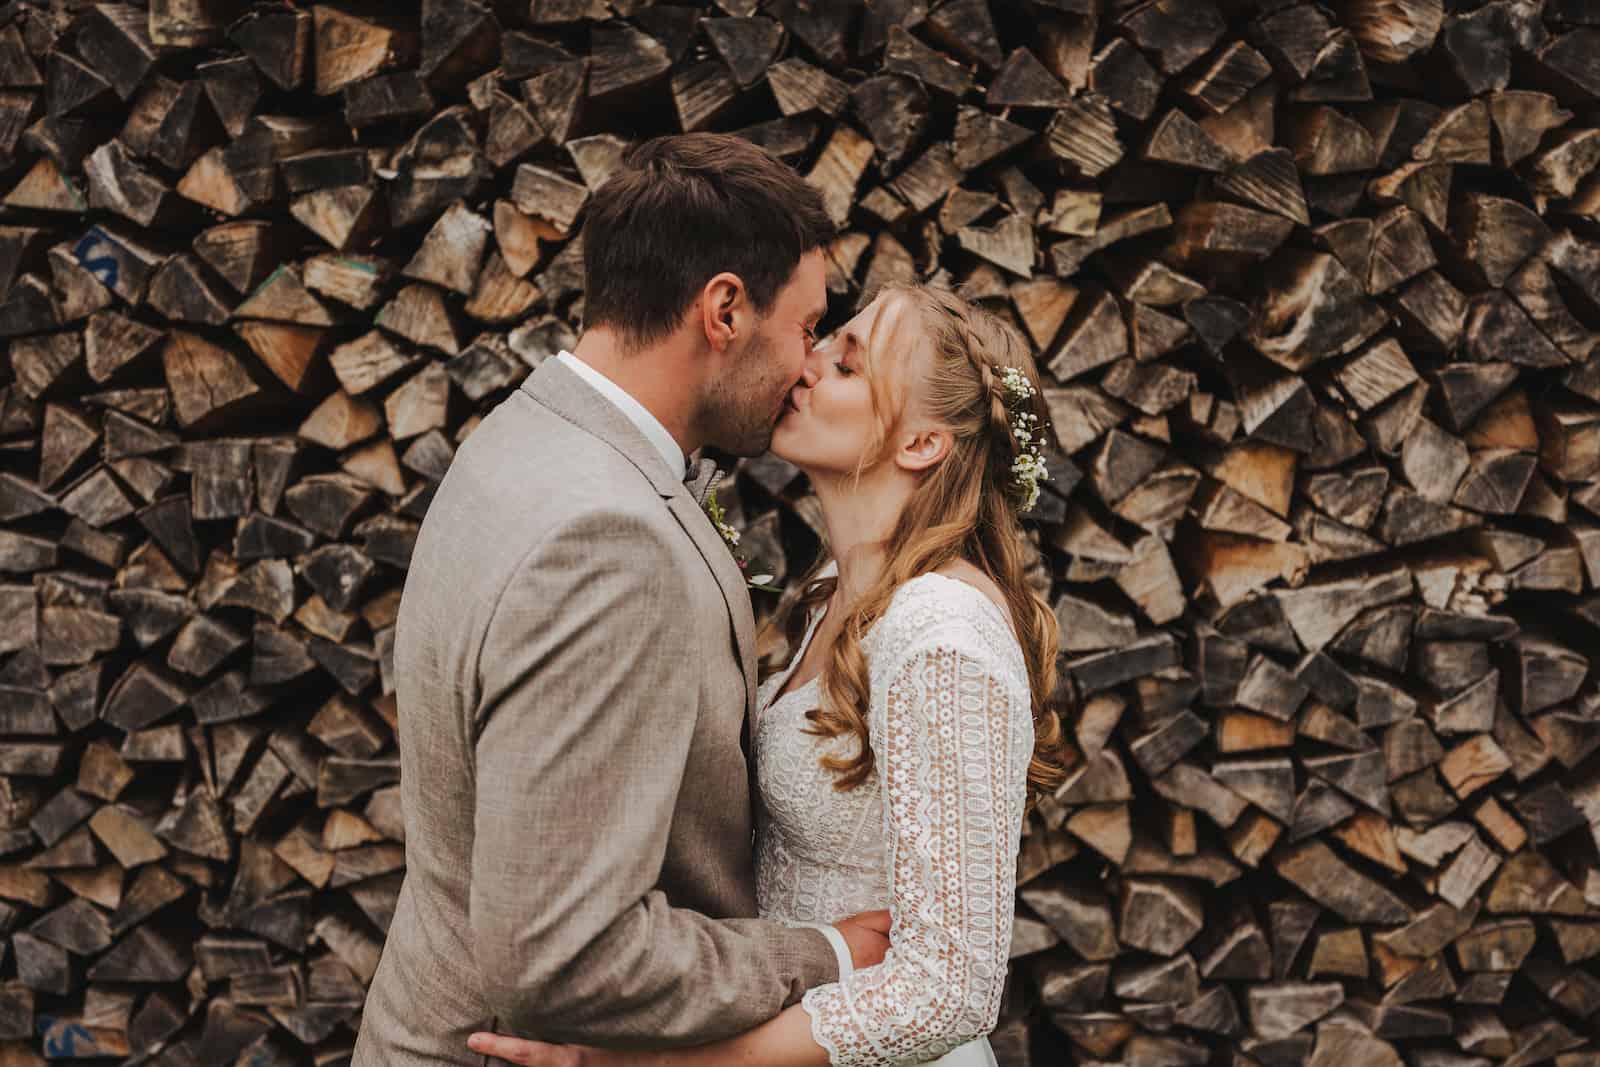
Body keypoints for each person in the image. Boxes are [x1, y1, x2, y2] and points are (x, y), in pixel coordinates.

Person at [351, 132, 897, 1067]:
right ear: (724, 308)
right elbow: (568, 954)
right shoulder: (608, 543)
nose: (809, 363)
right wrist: (829, 950)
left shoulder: (522, 437)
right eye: (806, 326)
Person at [466, 282, 1069, 1067]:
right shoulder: (833, 590)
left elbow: (952, 986)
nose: (808, 363)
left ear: (922, 443)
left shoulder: (939, 632)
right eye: (825, 339)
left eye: (848, 366)